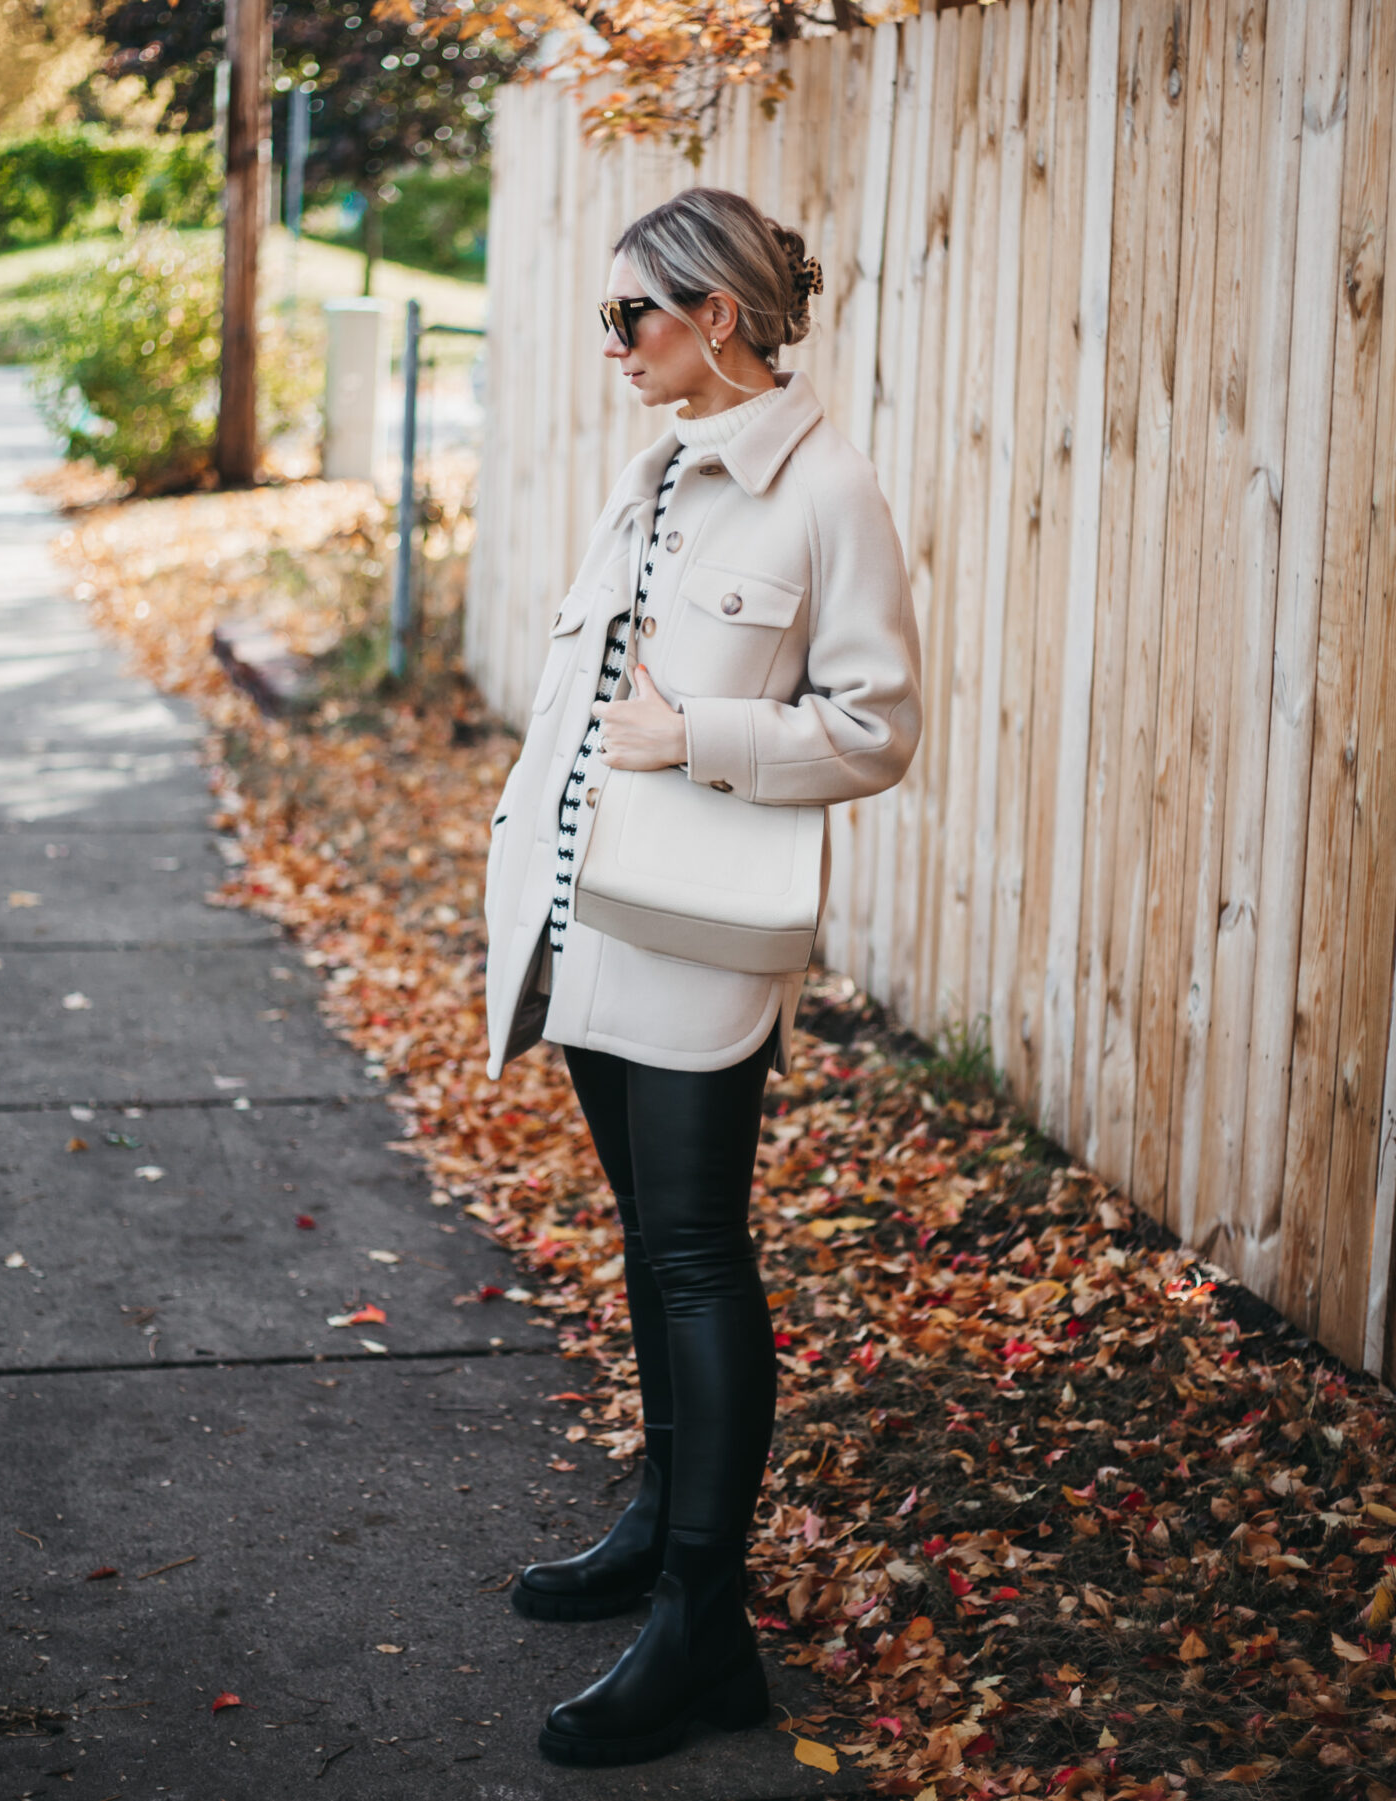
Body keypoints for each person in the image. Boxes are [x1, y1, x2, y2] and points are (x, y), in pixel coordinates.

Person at [481, 185, 923, 1767]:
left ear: (714, 317)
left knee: (695, 1250)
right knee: (645, 1233)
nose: (612, 345)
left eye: (630, 317)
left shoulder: (827, 493)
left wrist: (707, 740)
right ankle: (659, 1524)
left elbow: (878, 725)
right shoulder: (659, 467)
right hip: (595, 908)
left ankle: (701, 1617)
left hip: (701, 929)